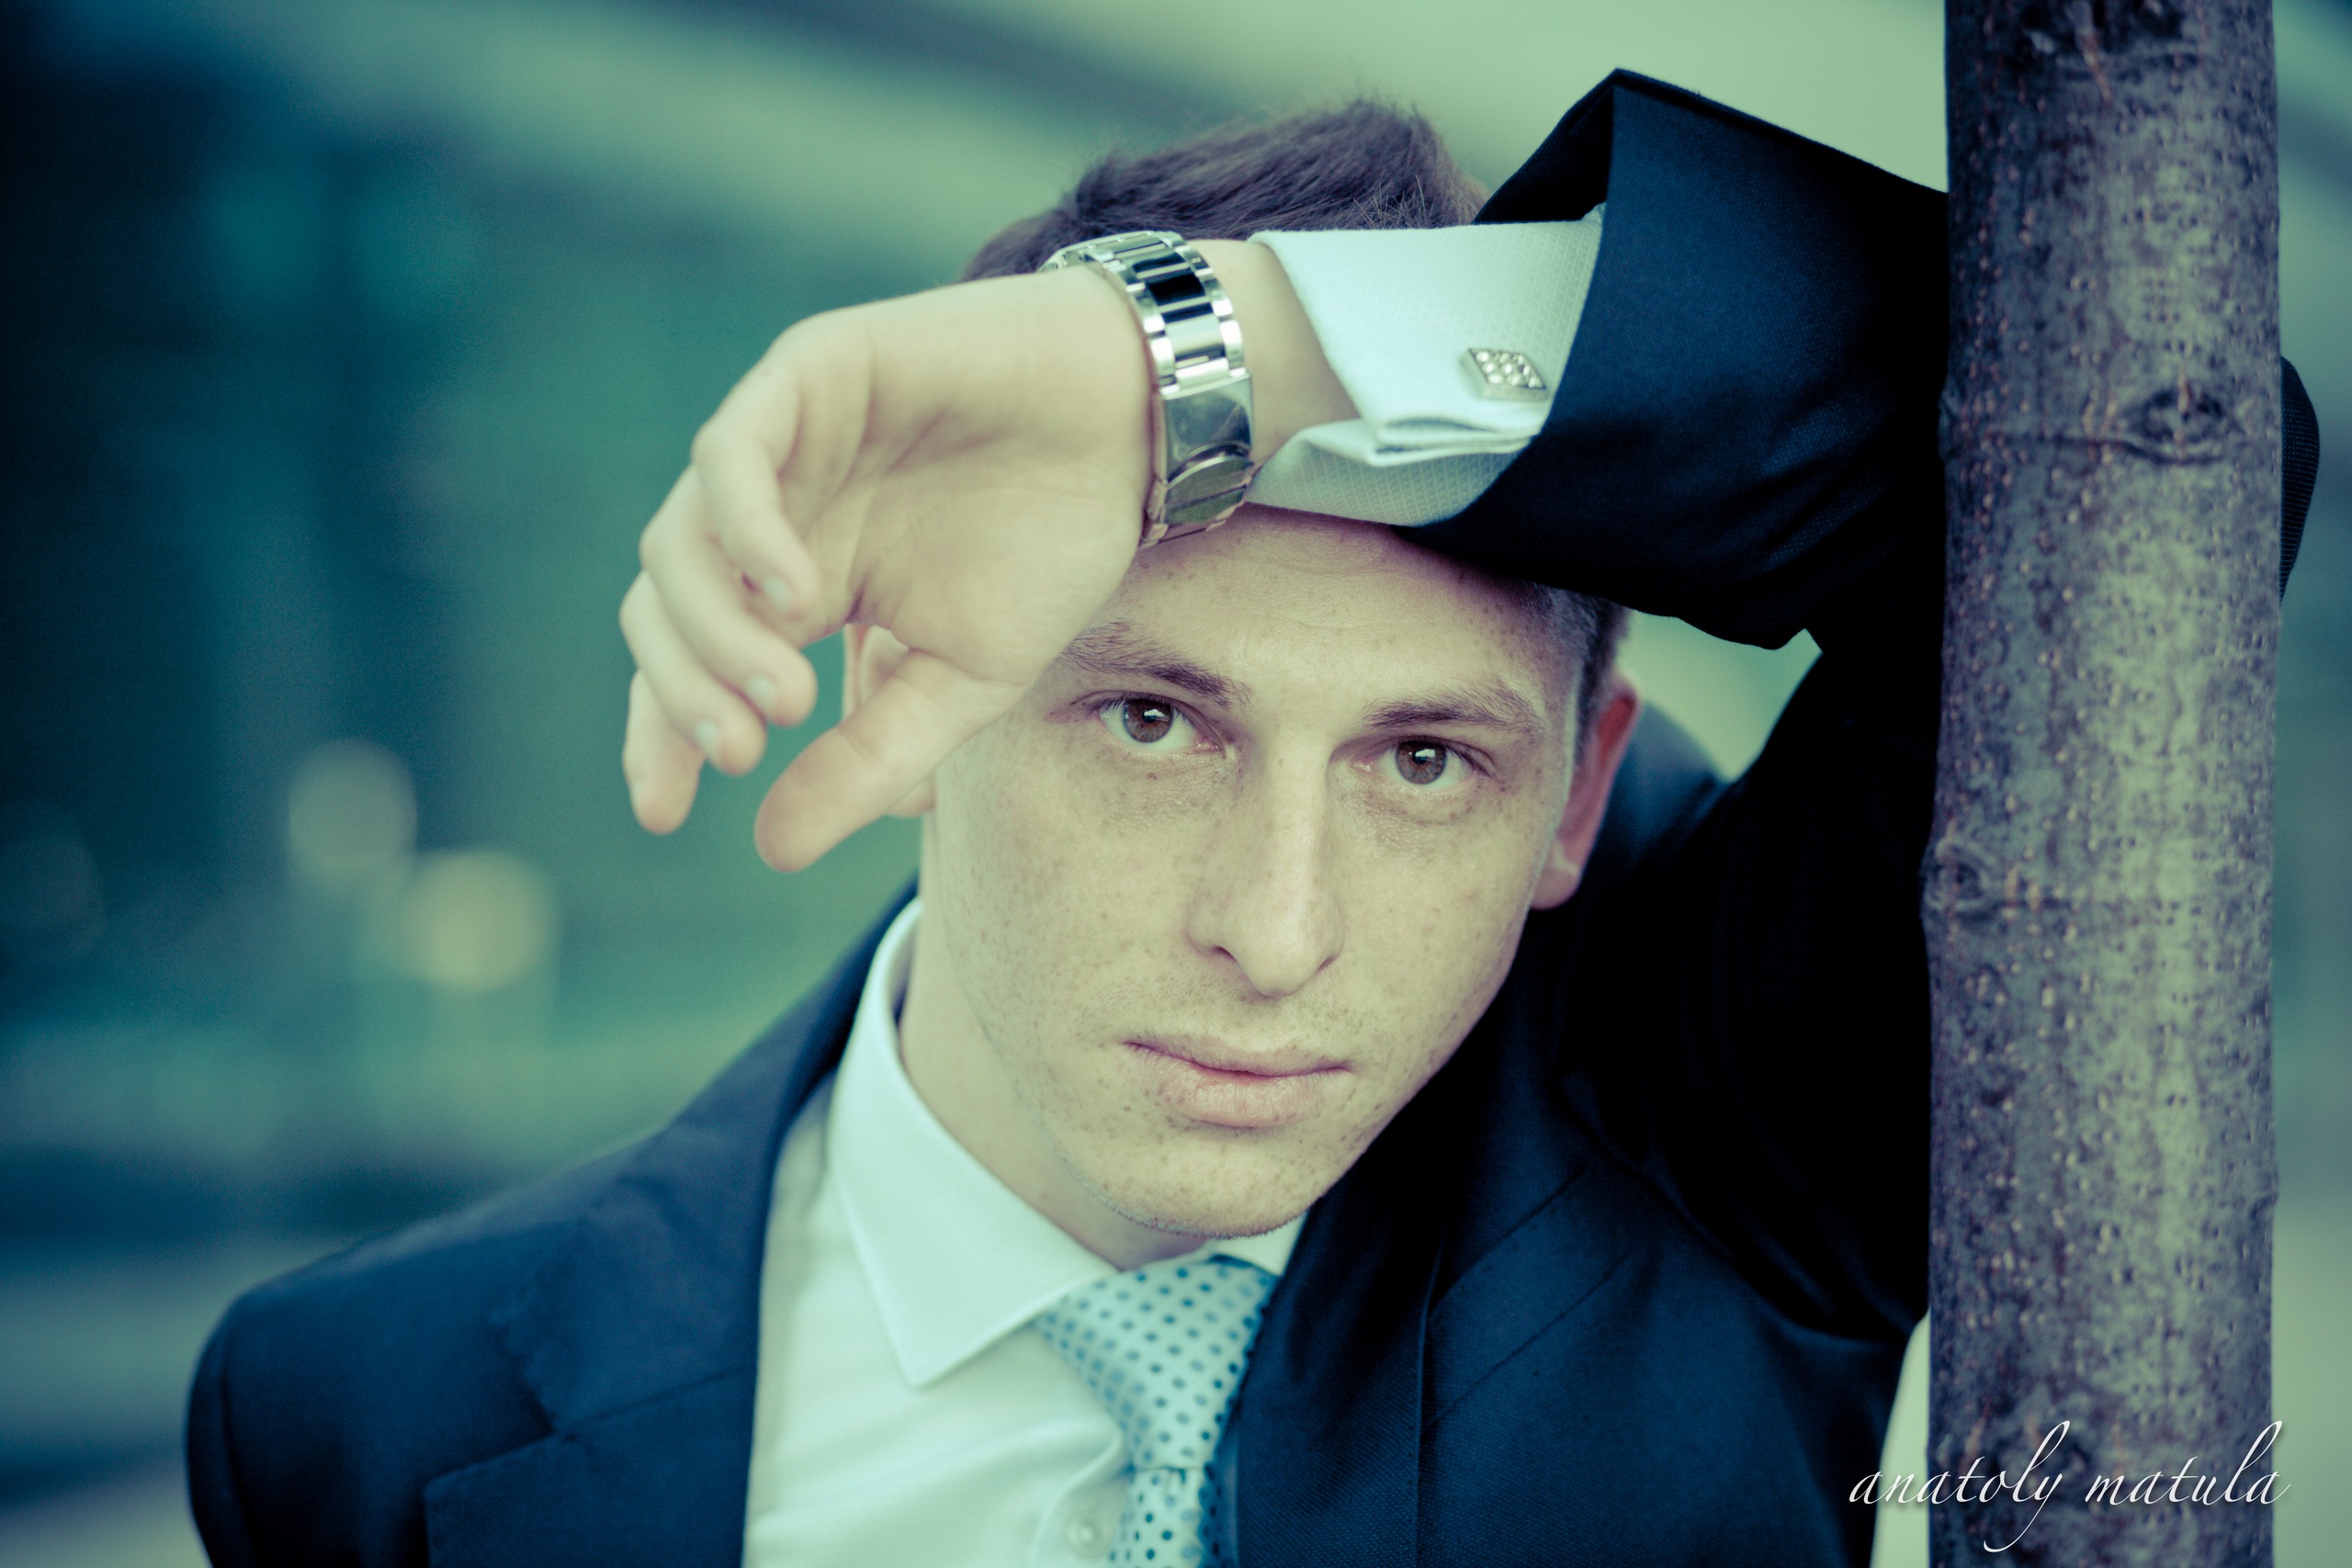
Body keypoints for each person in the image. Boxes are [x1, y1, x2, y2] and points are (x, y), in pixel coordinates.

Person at [185, 72, 2316, 1568]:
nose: (1275, 932)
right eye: (1151, 720)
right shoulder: (356, 1411)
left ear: (1576, 789)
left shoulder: (1716, 1130)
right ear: (904, 669)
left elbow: (2139, 448)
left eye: (1422, 761)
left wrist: (1198, 373)